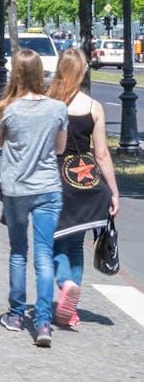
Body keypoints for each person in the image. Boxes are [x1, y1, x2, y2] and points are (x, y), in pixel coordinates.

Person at [0, 48, 68, 347]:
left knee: (18, 251)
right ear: (40, 73)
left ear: (15, 73)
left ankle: (15, 313)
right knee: (44, 254)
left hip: (16, 188)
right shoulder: (58, 108)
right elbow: (60, 149)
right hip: (48, 187)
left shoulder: (6, 108)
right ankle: (44, 322)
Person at [49, 47, 119, 329]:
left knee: (54, 242)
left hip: (55, 179)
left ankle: (65, 285)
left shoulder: (48, 102)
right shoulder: (93, 107)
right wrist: (113, 191)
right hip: (87, 182)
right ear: (82, 72)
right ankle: (72, 308)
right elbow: (101, 154)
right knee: (76, 244)